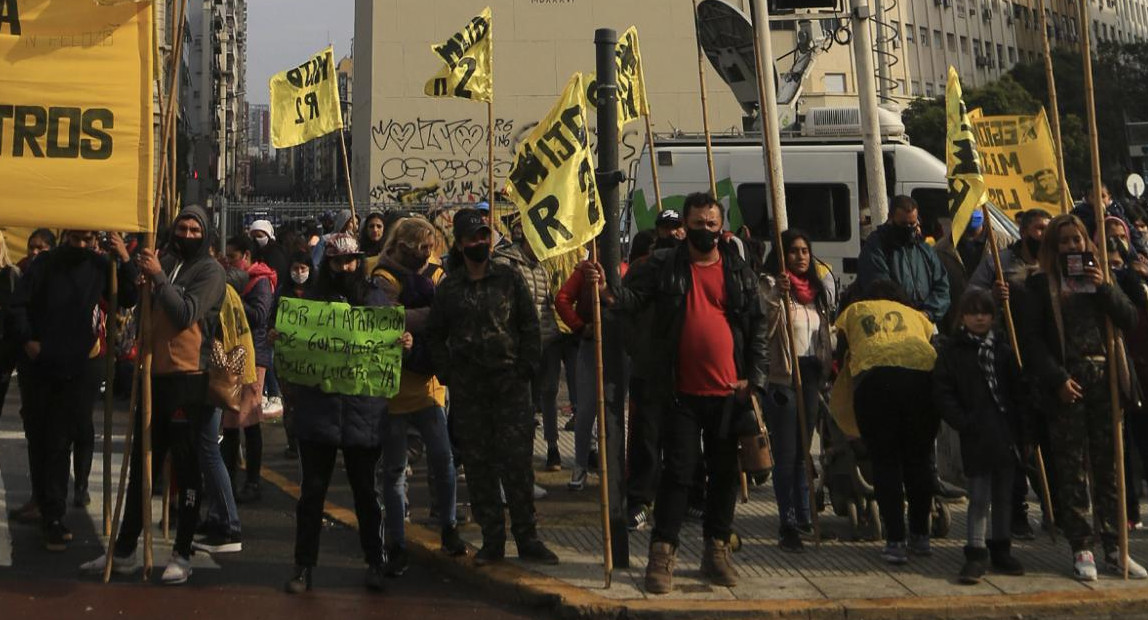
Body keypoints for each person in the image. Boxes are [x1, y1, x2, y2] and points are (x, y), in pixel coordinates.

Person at [591, 192, 768, 593]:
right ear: (684, 225)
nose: (704, 230)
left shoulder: (738, 271)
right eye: (697, 223)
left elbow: (756, 328)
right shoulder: (664, 265)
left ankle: (716, 550)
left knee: (724, 475)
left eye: (711, 224)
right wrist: (608, 291)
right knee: (678, 473)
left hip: (728, 393)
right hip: (680, 391)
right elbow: (634, 301)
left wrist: (753, 379)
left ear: (720, 227)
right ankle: (662, 553)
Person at [82, 205, 226, 584]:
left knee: (185, 467)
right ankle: (126, 548)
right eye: (183, 227)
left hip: (188, 378)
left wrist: (160, 276)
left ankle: (182, 551)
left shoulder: (210, 272)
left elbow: (185, 313)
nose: (189, 234)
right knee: (142, 466)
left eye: (196, 229)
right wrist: (129, 260)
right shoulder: (166, 257)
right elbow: (136, 298)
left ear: (206, 233)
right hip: (153, 374)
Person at [1015, 213, 1146, 580]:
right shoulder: (1039, 286)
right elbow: (1033, 342)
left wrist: (1105, 287)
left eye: (1078, 240)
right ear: (1054, 247)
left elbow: (1129, 318)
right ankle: (1082, 546)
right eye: (1065, 241)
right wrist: (1057, 378)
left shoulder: (1100, 277)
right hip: (1068, 382)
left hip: (1105, 379)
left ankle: (1115, 546)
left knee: (1110, 467)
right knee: (1072, 469)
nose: (1073, 247)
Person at [427, 208, 559, 567]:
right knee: (480, 468)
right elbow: (435, 336)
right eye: (473, 237)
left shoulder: (508, 278)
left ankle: (528, 538)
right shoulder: (450, 287)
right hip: (470, 391)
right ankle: (492, 540)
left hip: (511, 387)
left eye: (485, 236)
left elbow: (530, 326)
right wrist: (448, 373)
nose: (480, 242)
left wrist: (526, 368)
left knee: (518, 466)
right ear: (460, 242)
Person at [283, 233, 398, 594]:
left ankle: (375, 562)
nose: (346, 267)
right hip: (319, 412)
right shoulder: (311, 301)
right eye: (338, 262)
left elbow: (387, 345)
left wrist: (403, 341)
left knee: (366, 493)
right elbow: (294, 347)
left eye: (351, 261)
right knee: (312, 494)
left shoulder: (376, 298)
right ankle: (304, 566)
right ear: (328, 264)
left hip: (363, 412)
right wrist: (282, 340)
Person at [8, 231, 136, 550]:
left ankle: (55, 512)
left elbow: (127, 298)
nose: (81, 245)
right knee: (41, 436)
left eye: (87, 239)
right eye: (77, 239)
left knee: (63, 436)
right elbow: (17, 305)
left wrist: (124, 258)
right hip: (40, 363)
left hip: (77, 364)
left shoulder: (99, 265)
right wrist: (28, 341)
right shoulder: (44, 264)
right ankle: (47, 505)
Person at [372, 217, 466, 575]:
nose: (426, 255)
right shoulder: (383, 276)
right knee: (394, 471)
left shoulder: (438, 275)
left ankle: (449, 526)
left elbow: (446, 316)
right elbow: (382, 317)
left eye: (430, 248)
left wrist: (410, 319)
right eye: (419, 248)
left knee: (443, 461)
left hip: (429, 388)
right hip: (393, 390)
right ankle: (396, 541)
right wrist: (426, 318)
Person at [835, 280, 939, 565]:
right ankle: (921, 535)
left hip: (876, 384)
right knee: (920, 461)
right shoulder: (916, 316)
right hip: (922, 383)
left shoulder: (854, 311)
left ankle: (895, 541)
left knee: (886, 463)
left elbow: (841, 355)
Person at [933, 289, 1026, 584]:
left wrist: (1023, 430)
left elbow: (1018, 392)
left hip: (1004, 432)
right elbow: (943, 392)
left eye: (985, 312)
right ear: (962, 317)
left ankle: (1001, 548)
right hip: (975, 433)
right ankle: (975, 551)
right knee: (978, 497)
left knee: (1003, 496)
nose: (979, 317)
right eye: (973, 312)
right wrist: (963, 420)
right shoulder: (954, 352)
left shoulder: (1004, 350)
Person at [760, 230, 837, 553]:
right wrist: (780, 293)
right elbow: (766, 323)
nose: (801, 257)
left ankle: (807, 517)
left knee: (805, 453)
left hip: (810, 374)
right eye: (793, 251)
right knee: (787, 454)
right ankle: (787, 522)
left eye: (805, 251)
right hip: (783, 376)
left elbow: (825, 333)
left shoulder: (817, 292)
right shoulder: (770, 285)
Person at [494, 214, 562, 478]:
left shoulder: (543, 268)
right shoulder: (506, 263)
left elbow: (548, 303)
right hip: (520, 348)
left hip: (547, 344)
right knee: (520, 408)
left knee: (546, 398)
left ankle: (548, 450)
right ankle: (517, 466)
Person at [193, 265, 254, 555]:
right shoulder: (226, 289)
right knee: (206, 447)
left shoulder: (214, 287)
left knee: (207, 447)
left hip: (210, 375)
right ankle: (219, 517)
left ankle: (229, 524)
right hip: (218, 374)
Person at [222, 235, 277, 504]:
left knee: (249, 417)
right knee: (231, 418)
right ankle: (228, 478)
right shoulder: (233, 279)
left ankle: (253, 481)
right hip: (230, 353)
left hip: (254, 355)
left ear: (246, 255)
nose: (228, 262)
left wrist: (232, 298)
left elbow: (258, 315)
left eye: (232, 257)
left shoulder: (261, 281)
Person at [857, 194, 950, 324]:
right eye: (903, 224)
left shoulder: (923, 248)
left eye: (912, 223)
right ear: (890, 219)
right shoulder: (877, 246)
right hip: (891, 323)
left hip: (924, 323)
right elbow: (878, 287)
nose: (908, 229)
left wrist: (927, 313)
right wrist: (905, 315)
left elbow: (942, 286)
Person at [274, 251, 314, 460]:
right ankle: (293, 444)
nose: (299, 273)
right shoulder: (282, 293)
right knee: (290, 404)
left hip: (312, 359)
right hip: (288, 358)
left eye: (303, 269)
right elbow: (272, 320)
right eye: (295, 269)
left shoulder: (317, 293)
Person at [936, 209, 988, 330]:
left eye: (976, 206)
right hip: (956, 325)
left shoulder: (1003, 243)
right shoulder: (941, 249)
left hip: (994, 327)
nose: (971, 211)